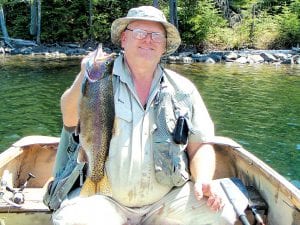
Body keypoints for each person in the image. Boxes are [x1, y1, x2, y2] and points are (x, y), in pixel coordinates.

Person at [51, 5, 237, 225]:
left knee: (221, 216)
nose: (148, 40)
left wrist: (203, 180)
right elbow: (70, 118)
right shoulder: (97, 81)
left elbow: (201, 145)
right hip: (102, 197)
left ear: (164, 46)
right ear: (123, 39)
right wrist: (85, 73)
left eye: (156, 36)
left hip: (167, 198)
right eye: (140, 33)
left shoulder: (183, 90)